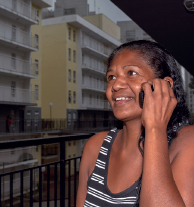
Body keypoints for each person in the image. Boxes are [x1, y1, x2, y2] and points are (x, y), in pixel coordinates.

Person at [77, 40, 194, 207]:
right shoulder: (95, 146)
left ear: (165, 85)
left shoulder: (188, 142)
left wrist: (154, 128)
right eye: (111, 77)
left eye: (131, 73)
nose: (115, 85)